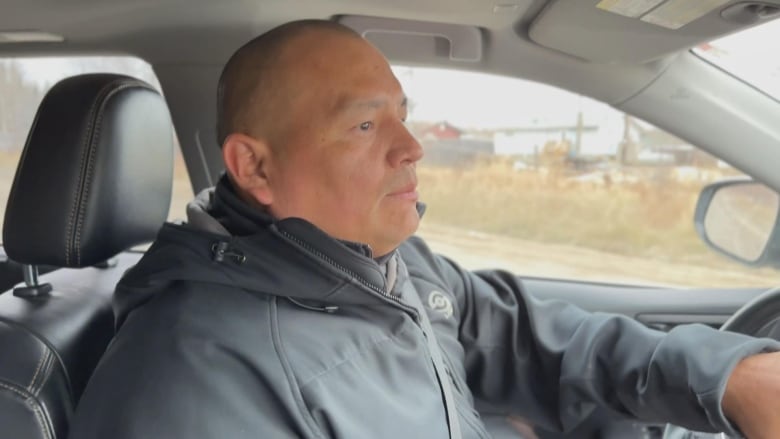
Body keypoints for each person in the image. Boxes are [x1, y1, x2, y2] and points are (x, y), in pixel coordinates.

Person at [69, 19, 780, 439]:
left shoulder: (392, 264)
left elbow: (544, 341)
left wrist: (727, 377)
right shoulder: (184, 378)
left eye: (403, 114)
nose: (412, 147)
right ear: (253, 166)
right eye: (365, 123)